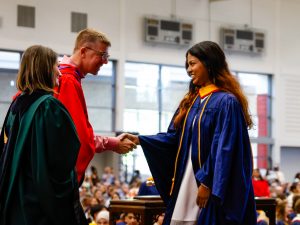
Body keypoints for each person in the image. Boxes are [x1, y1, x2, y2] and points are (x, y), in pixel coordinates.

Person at [126, 41, 257, 225]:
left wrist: (207, 183)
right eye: (187, 64)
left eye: (193, 63)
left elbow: (224, 148)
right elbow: (174, 138)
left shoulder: (226, 102)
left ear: (209, 63)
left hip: (207, 185)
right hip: (185, 182)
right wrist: (140, 140)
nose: (189, 69)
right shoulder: (190, 102)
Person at [0, 45, 86, 225]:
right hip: (38, 205)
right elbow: (62, 161)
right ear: (45, 69)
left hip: (13, 199)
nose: (59, 72)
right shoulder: (49, 107)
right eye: (56, 65)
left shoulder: (16, 106)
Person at [54, 28, 136, 183]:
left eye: (107, 56)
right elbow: (77, 138)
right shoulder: (67, 80)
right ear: (84, 51)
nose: (105, 61)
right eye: (102, 55)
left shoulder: (63, 76)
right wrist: (112, 143)